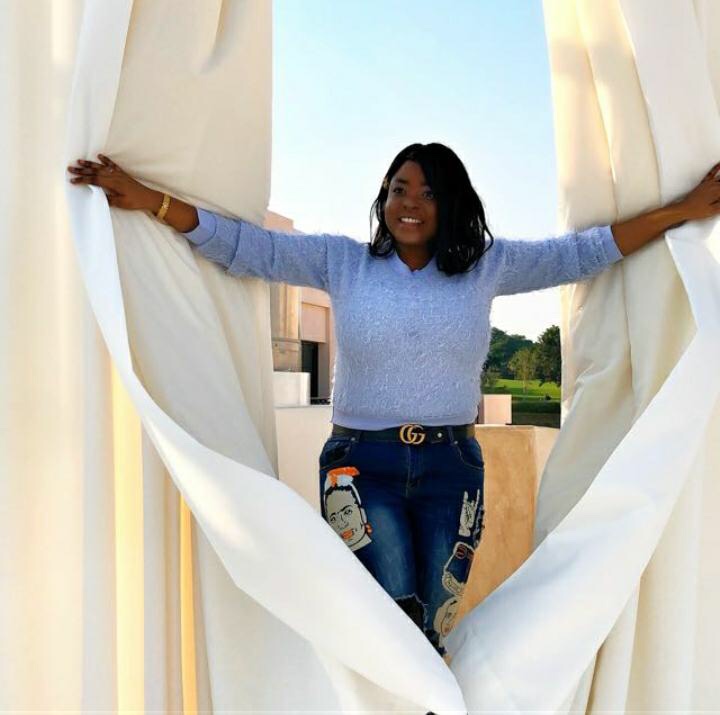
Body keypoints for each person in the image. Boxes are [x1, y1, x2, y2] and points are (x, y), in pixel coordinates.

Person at [67, 143, 720, 661]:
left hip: (452, 470)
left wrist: (684, 209)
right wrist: (150, 200)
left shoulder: (485, 267)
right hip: (361, 466)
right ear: (382, 197)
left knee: (432, 625)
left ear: (450, 204)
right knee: (390, 616)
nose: (410, 203)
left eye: (428, 192)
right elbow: (247, 247)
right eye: (399, 188)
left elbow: (584, 252)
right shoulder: (342, 263)